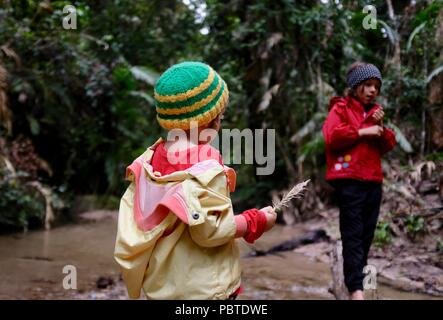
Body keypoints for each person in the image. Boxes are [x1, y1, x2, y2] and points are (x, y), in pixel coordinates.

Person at [114, 61, 276, 300]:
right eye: (221, 117)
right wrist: (256, 221)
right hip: (205, 291)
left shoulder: (149, 159)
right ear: (211, 121)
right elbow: (211, 232)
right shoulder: (206, 164)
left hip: (163, 288)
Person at [322, 62, 397, 300]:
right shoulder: (341, 108)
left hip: (373, 180)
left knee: (367, 234)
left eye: (376, 86)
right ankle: (355, 290)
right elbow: (332, 136)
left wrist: (380, 128)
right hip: (349, 180)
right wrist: (363, 131)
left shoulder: (375, 112)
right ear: (355, 87)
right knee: (352, 234)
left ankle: (357, 283)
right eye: (367, 85)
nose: (372, 90)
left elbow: (388, 145)